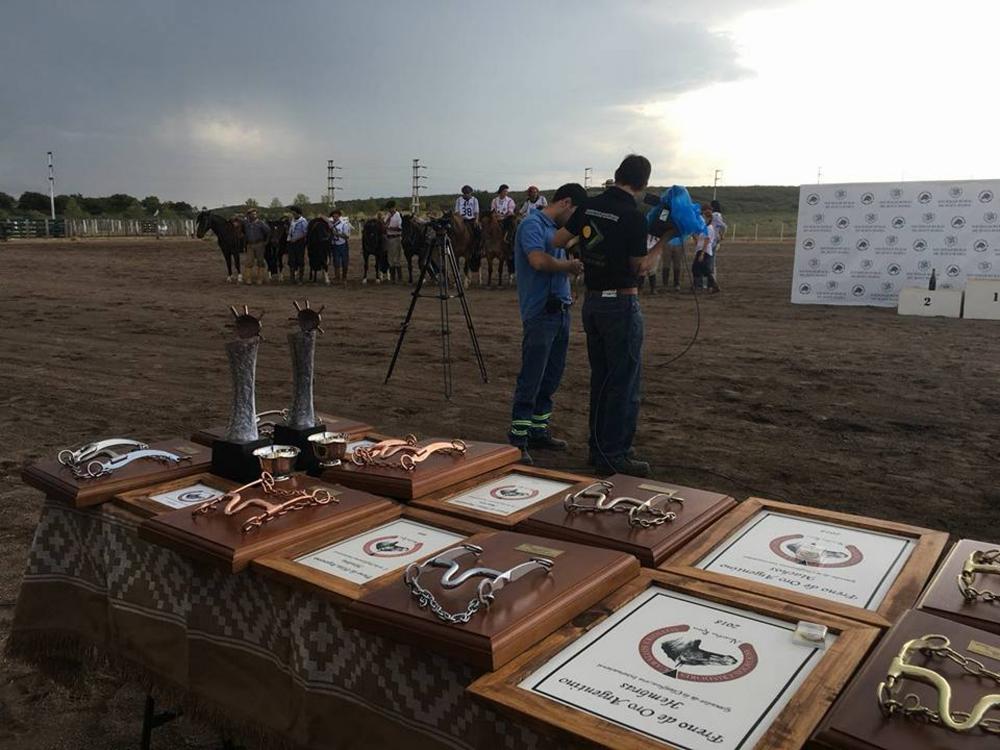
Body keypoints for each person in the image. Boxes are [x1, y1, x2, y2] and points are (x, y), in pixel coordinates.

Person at [552, 154, 676, 477]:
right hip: (620, 305)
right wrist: (664, 239)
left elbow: (558, 239)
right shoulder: (633, 216)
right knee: (623, 383)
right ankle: (615, 455)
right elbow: (640, 266)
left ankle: (598, 448)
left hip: (592, 305)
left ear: (617, 174)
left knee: (602, 379)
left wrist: (587, 254)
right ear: (642, 184)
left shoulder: (588, 207)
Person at [508, 183, 587, 464]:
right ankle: (518, 438)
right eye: (576, 214)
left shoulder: (556, 232)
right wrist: (568, 266)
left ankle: (538, 430)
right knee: (532, 376)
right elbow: (537, 261)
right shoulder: (532, 225)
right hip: (541, 312)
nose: (575, 222)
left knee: (551, 376)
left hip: (561, 310)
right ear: (566, 203)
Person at [692, 206, 720, 293]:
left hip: (705, 250)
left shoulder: (709, 228)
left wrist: (702, 253)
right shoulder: (705, 228)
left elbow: (707, 240)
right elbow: (700, 238)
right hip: (701, 249)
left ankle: (702, 286)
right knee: (701, 268)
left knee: (699, 268)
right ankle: (706, 285)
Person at [242, 208, 271, 285]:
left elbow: (268, 231)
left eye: (255, 214)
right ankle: (248, 279)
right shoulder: (246, 223)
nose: (254, 215)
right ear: (248, 215)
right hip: (250, 244)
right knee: (249, 262)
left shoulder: (261, 223)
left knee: (260, 261)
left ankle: (260, 278)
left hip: (259, 244)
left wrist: (266, 242)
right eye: (252, 214)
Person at [286, 205, 308, 284]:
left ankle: (300, 278)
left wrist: (297, 238)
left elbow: (305, 233)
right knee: (291, 260)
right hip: (291, 242)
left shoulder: (303, 221)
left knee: (299, 260)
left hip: (299, 242)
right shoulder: (292, 220)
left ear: (297, 212)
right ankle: (292, 277)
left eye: (293, 212)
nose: (292, 213)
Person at [328, 208, 351, 285]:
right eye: (333, 215)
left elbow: (347, 236)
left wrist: (337, 234)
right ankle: (337, 277)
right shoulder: (331, 224)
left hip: (342, 244)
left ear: (339, 215)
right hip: (334, 245)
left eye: (336, 215)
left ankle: (344, 277)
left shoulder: (344, 224)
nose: (335, 216)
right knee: (336, 262)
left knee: (344, 262)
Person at [383, 201, 404, 283]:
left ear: (394, 207)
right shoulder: (388, 215)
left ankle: (399, 278)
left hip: (396, 237)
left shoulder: (398, 216)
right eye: (389, 208)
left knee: (397, 258)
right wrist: (388, 221)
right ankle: (393, 278)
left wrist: (390, 228)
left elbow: (400, 228)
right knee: (390, 258)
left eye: (391, 208)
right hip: (389, 238)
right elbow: (384, 224)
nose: (390, 210)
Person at [710, 199, 727, 280]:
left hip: (712, 240)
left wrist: (722, 235)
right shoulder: (719, 215)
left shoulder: (715, 215)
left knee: (710, 261)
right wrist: (721, 235)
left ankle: (712, 279)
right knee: (712, 260)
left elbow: (723, 226)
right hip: (715, 239)